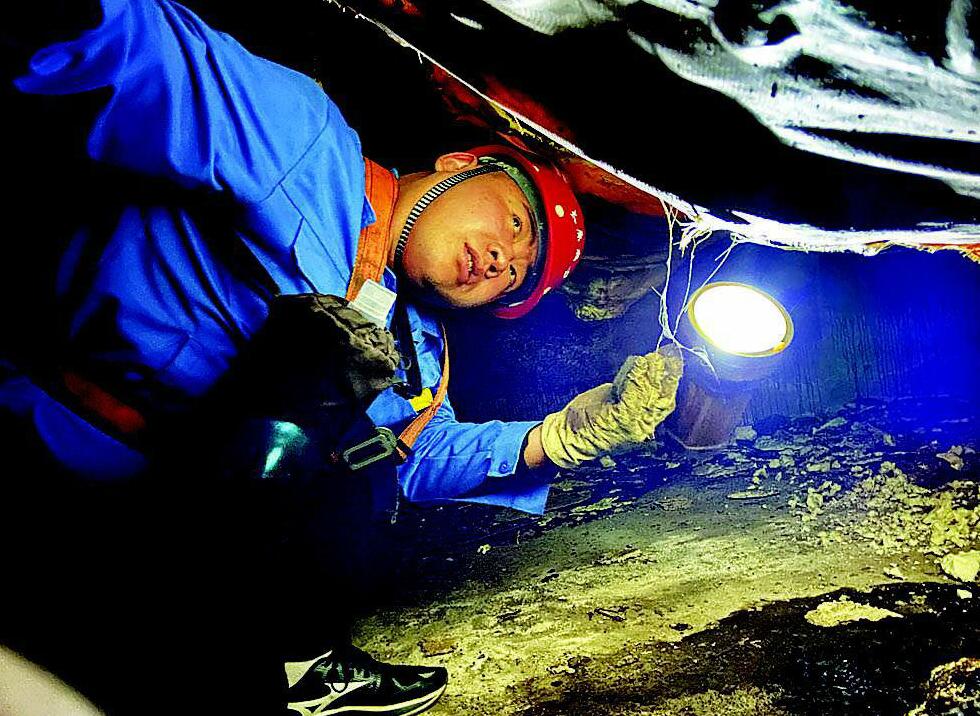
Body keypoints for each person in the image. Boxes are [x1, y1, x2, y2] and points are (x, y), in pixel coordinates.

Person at [0, 1, 684, 714]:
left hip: (179, 535)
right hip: (47, 453)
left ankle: (300, 663)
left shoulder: (417, 346)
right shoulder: (304, 144)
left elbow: (419, 455)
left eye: (514, 274)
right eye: (514, 223)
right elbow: (149, 54)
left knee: (366, 465)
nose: (499, 259)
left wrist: (566, 436)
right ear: (458, 166)